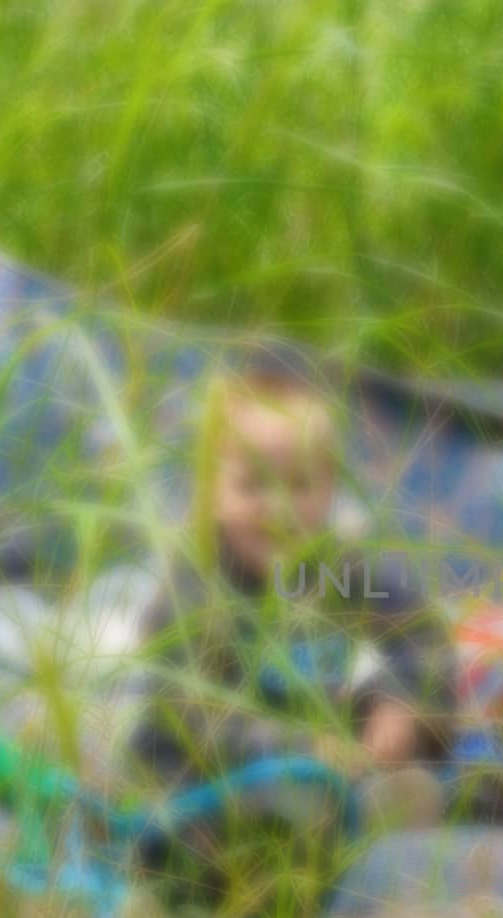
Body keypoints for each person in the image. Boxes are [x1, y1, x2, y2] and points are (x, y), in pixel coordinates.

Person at [129, 346, 455, 884]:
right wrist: (300, 750)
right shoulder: (194, 585)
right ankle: (170, 897)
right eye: (254, 485)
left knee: (419, 738)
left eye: (300, 485)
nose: (279, 510)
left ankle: (379, 814)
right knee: (195, 832)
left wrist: (401, 703)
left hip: (325, 767)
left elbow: (422, 635)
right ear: (210, 491)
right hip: (211, 775)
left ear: (329, 490)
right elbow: (191, 710)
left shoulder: (337, 570)